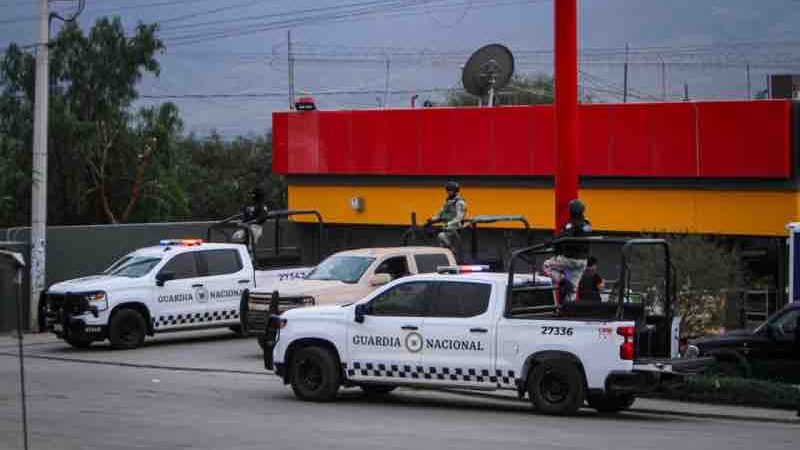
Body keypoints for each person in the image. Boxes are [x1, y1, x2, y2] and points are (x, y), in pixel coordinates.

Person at [543, 199, 592, 303]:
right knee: (572, 292)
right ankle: (569, 309)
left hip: (569, 258)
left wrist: (550, 241)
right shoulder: (587, 224)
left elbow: (564, 236)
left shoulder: (572, 224)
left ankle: (563, 280)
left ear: (572, 211)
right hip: (583, 261)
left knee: (546, 265)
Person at [426, 181, 467, 255]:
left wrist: (449, 224)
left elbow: (459, 217)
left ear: (455, 191)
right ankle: (446, 254)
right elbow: (440, 214)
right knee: (441, 244)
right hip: (446, 226)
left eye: (450, 190)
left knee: (441, 236)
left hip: (455, 226)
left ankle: (452, 249)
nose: (448, 192)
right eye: (447, 190)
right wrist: (432, 220)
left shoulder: (460, 202)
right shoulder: (448, 201)